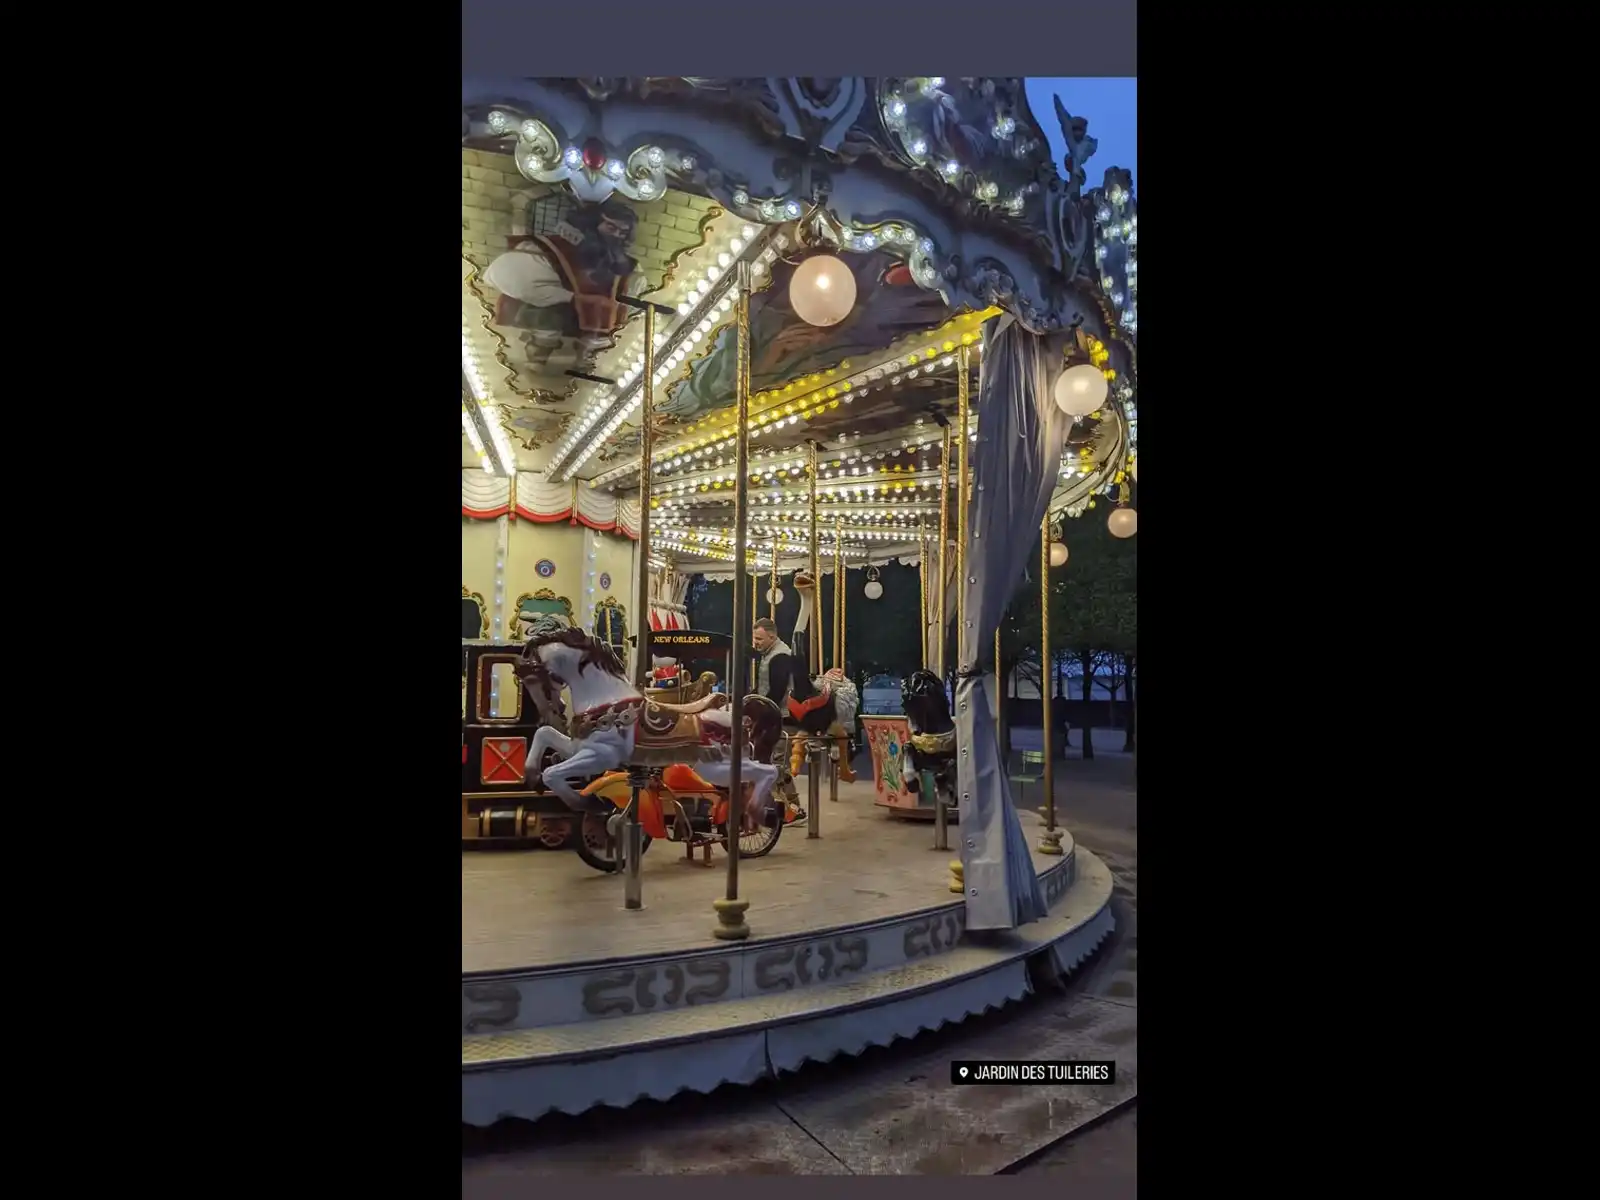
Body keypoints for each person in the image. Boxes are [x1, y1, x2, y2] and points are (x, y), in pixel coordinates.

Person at [751, 618, 805, 826]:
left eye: (759, 638)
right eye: (755, 638)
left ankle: (795, 809)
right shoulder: (770, 655)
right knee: (770, 762)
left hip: (783, 717)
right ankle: (783, 807)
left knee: (777, 764)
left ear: (772, 636)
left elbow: (776, 691)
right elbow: (764, 688)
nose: (755, 643)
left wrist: (758, 710)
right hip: (775, 715)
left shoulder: (780, 656)